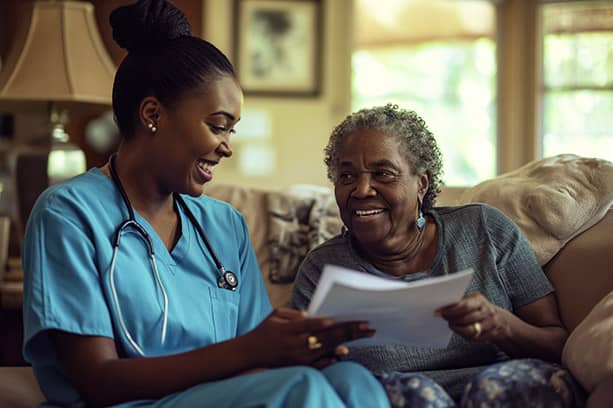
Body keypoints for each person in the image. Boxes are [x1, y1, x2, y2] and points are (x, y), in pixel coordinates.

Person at [21, 1, 391, 407]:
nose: (226, 148)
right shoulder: (68, 213)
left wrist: (304, 347)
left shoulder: (223, 224)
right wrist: (253, 351)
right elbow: (98, 381)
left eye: (231, 130)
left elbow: (259, 356)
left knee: (351, 379)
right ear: (152, 114)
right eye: (217, 126)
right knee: (302, 391)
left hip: (220, 397)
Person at [291, 104, 585, 407]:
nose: (362, 189)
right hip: (398, 397)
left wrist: (502, 325)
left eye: (383, 174)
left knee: (493, 390)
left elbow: (557, 343)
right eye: (347, 176)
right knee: (412, 393)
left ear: (422, 183)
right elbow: (304, 375)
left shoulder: (485, 229)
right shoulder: (321, 268)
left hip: (501, 385)